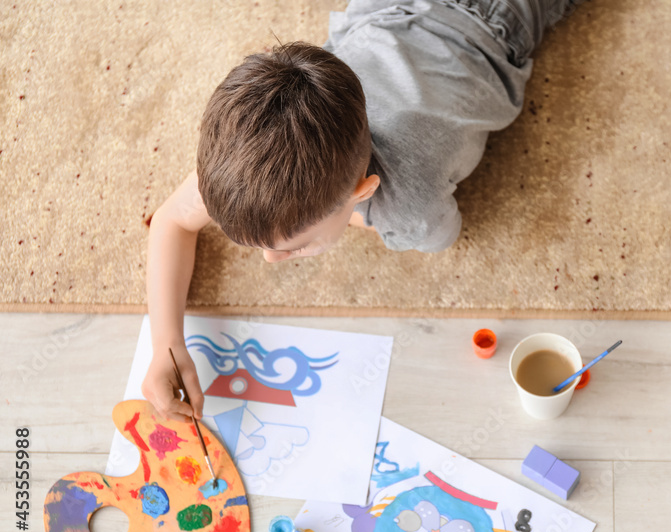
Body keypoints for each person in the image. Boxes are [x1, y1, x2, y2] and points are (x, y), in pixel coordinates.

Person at [142, 0, 583, 422]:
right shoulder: (244, 159)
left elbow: (445, 234)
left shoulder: (407, 204)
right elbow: (172, 219)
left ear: (363, 192)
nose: (271, 260)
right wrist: (166, 343)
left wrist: (361, 217)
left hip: (496, 21)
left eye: (298, 246)